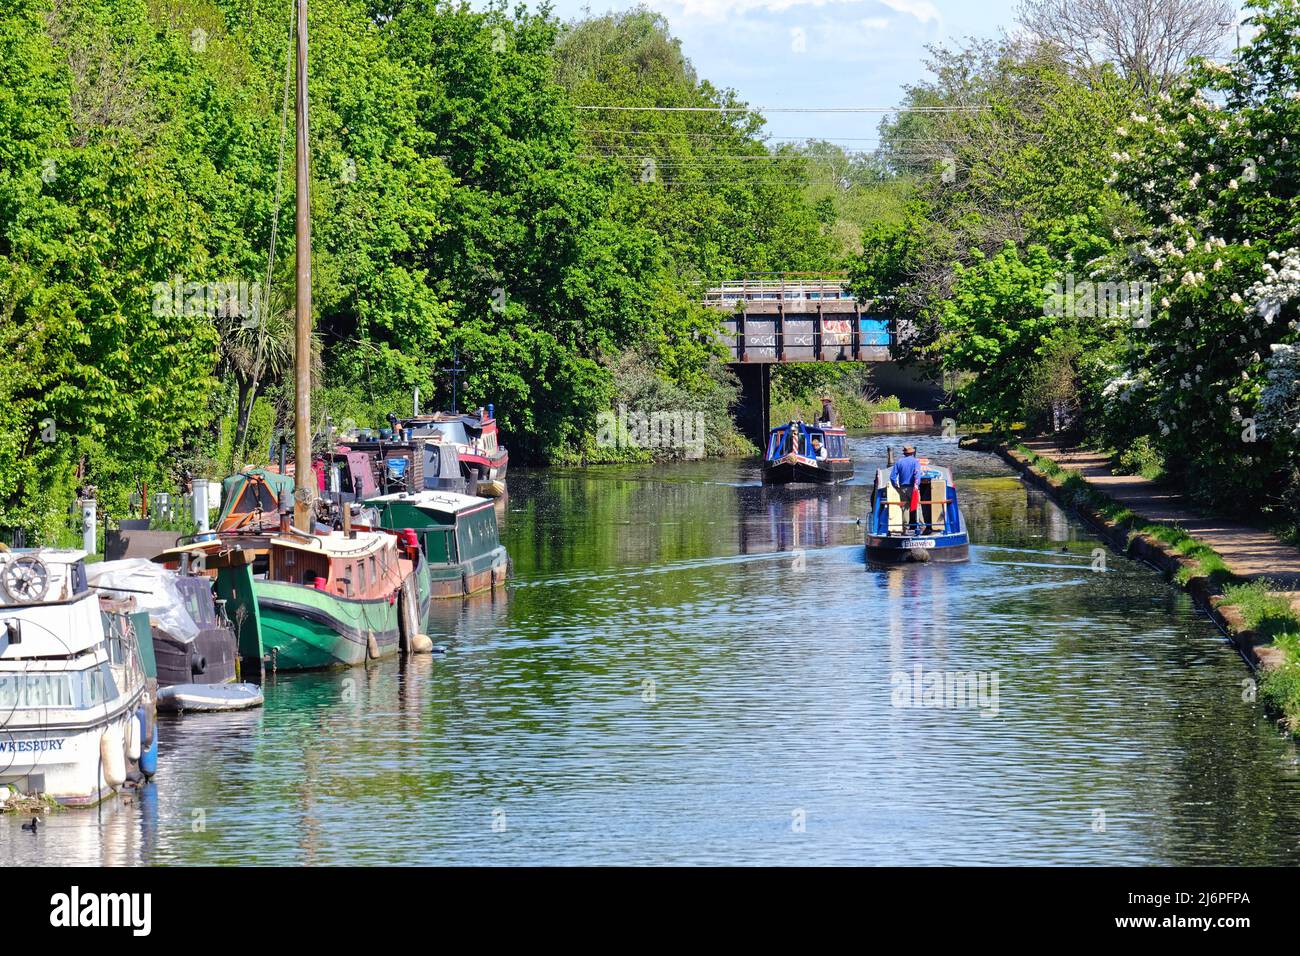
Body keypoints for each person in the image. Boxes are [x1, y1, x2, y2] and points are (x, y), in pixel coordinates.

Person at [889, 444, 921, 534]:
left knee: (905, 508)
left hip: (903, 488)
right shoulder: (915, 462)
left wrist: (896, 486)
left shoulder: (899, 462)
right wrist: (916, 485)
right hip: (913, 488)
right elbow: (917, 474)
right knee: (917, 506)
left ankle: (905, 528)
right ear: (912, 453)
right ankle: (920, 527)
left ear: (904, 453)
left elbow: (892, 477)